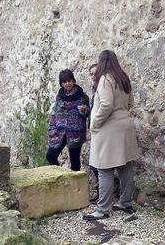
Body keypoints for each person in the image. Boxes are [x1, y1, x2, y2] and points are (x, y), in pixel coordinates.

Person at [83, 50, 140, 221]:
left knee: (104, 167)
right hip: (125, 125)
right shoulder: (123, 78)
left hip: (109, 128)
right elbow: (130, 103)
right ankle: (126, 202)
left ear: (102, 62)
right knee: (125, 165)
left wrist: (95, 123)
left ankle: (103, 209)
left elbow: (106, 105)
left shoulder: (105, 79)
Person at [46, 69, 90, 171]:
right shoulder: (60, 97)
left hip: (75, 133)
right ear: (61, 84)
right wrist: (51, 128)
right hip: (59, 133)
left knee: (75, 162)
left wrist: (83, 110)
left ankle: (75, 185)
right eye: (64, 82)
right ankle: (59, 177)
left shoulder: (82, 97)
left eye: (69, 81)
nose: (67, 84)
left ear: (73, 81)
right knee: (50, 156)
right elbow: (55, 113)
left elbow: (87, 113)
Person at [87, 63, 100, 202]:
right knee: (93, 163)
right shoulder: (94, 89)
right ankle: (100, 190)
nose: (93, 75)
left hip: (101, 130)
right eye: (91, 73)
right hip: (95, 130)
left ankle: (102, 193)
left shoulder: (104, 88)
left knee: (97, 164)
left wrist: (95, 123)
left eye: (95, 72)